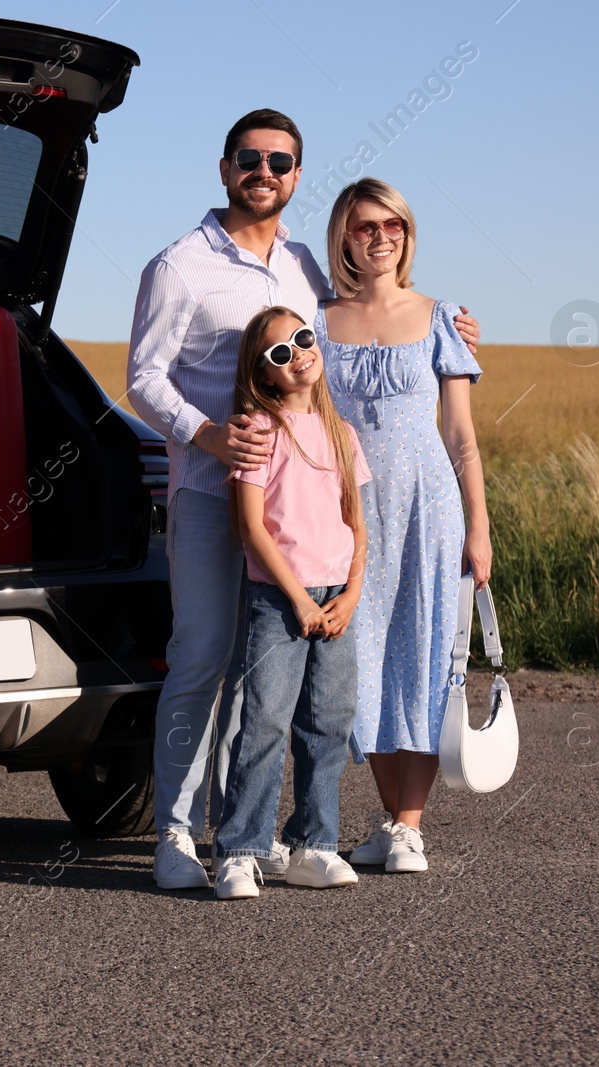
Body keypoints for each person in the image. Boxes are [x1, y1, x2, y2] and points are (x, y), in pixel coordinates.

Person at [127, 110, 480, 890]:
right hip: (210, 492)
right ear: (225, 169)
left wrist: (445, 328)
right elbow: (143, 378)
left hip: (300, 513)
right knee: (202, 657)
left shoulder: (301, 271)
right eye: (250, 159)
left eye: (281, 162)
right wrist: (207, 434)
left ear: (294, 175)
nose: (265, 172)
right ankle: (177, 833)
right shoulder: (179, 266)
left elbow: (352, 333)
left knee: (268, 675)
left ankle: (245, 835)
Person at [314, 178, 491, 874]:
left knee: (421, 655)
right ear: (344, 237)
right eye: (364, 226)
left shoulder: (442, 315)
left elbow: (462, 434)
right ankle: (391, 821)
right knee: (359, 662)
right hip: (348, 512)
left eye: (393, 225)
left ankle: (409, 825)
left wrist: (480, 526)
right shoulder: (318, 320)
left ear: (407, 235)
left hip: (430, 508)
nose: (380, 236)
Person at [213, 307, 372, 899]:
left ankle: (315, 844)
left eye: (303, 339)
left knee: (328, 723)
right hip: (279, 600)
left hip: (336, 601)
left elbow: (358, 525)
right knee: (265, 723)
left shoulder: (341, 433)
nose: (298, 353)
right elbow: (252, 530)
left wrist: (351, 594)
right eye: (280, 353)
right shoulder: (261, 430)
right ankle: (239, 851)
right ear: (264, 375)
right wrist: (299, 600)